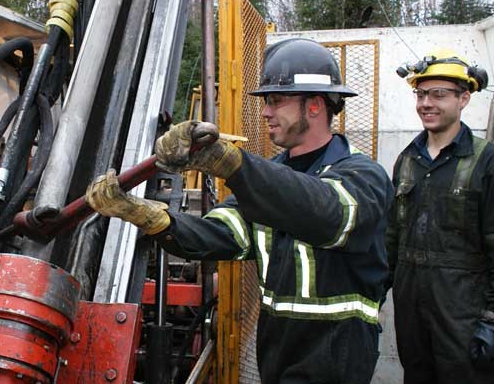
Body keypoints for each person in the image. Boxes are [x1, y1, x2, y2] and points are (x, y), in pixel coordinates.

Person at [86, 38, 393, 383]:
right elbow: (219, 234)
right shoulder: (268, 182)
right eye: (266, 102)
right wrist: (148, 216)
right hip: (277, 356)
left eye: (276, 101)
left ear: (315, 106)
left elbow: (325, 213)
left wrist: (232, 164)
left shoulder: (363, 177)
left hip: (337, 357)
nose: (265, 112)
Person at [386, 50, 494, 383]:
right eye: (421, 94)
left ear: (464, 99)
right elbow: (391, 238)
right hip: (412, 308)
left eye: (438, 94)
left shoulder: (493, 162)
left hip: (464, 314)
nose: (426, 103)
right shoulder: (407, 160)